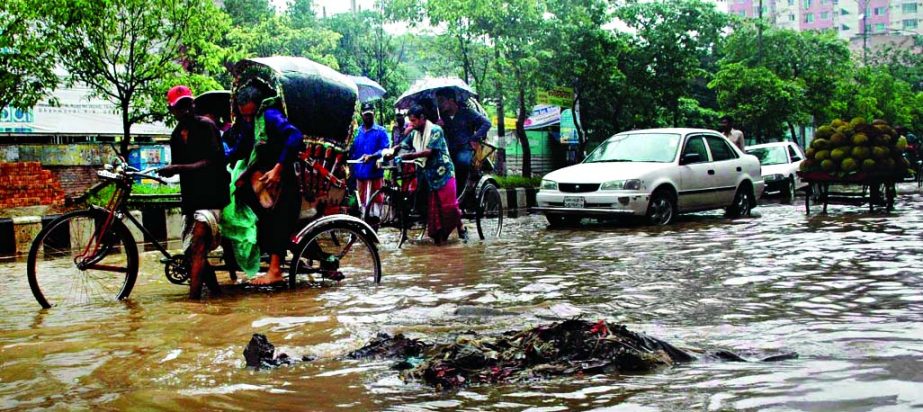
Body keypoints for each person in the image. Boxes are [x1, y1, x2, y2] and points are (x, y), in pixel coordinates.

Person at [158, 85, 230, 299]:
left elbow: (213, 162)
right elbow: (178, 167)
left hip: (212, 195)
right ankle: (216, 293)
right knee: (193, 252)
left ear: (193, 105)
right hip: (191, 199)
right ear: (173, 111)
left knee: (198, 245)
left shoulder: (207, 126)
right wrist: (172, 171)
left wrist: (177, 168)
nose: (186, 110)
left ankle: (193, 303)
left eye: (187, 105)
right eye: (180, 107)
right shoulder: (175, 136)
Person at [231, 82, 304, 286]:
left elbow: (294, 136)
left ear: (257, 107)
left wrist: (278, 169)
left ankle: (275, 270)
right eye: (243, 115)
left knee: (275, 216)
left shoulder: (269, 115)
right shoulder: (248, 122)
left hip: (283, 176)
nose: (247, 119)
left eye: (250, 114)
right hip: (263, 177)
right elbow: (241, 147)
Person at [393, 105, 467, 244]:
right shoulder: (415, 133)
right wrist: (391, 151)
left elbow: (428, 152)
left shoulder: (436, 130)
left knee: (450, 206)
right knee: (432, 208)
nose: (412, 124)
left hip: (444, 173)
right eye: (410, 121)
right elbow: (403, 145)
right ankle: (439, 234)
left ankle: (460, 226)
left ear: (422, 118)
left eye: (414, 120)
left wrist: (409, 156)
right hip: (428, 174)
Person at [435, 88, 491, 195]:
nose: (439, 104)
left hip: (465, 148)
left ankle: (459, 192)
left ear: (451, 101)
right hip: (449, 149)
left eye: (441, 100)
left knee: (461, 162)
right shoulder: (442, 117)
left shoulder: (467, 112)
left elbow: (486, 124)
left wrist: (474, 137)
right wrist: (438, 127)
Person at [350, 103, 390, 218]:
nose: (368, 117)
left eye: (370, 115)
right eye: (366, 115)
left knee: (375, 203)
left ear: (374, 114)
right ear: (362, 115)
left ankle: (375, 223)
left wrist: (372, 156)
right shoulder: (357, 132)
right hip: (360, 173)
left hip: (374, 173)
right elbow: (352, 150)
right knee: (361, 202)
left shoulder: (381, 131)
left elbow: (385, 149)